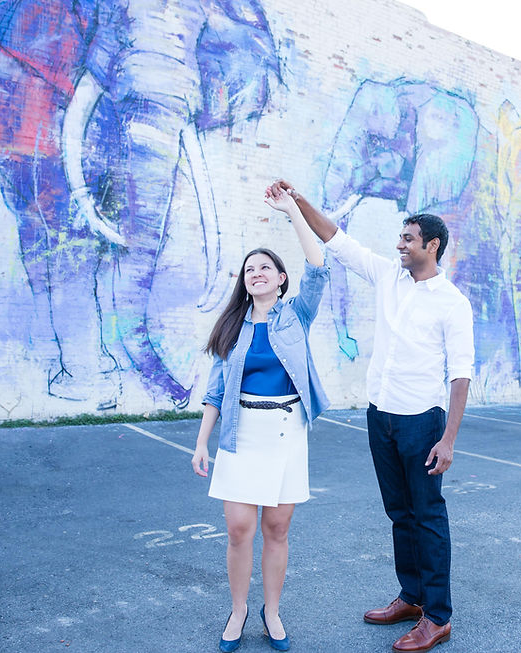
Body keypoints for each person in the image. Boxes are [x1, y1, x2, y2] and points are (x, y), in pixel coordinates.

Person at [266, 180, 474, 653]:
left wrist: (448, 440)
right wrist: (297, 202)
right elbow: (337, 240)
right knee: (399, 512)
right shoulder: (387, 276)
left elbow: (461, 374)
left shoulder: (452, 302)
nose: (399, 245)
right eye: (400, 237)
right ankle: (412, 597)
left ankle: (437, 617)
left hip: (422, 420)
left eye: (408, 239)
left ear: (432, 246)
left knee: (428, 516)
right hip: (381, 415)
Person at [192, 187, 329, 653]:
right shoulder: (232, 326)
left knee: (276, 529)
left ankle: (272, 610)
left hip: (286, 432)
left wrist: (292, 211)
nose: (256, 273)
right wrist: (202, 442)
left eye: (265, 267)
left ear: (281, 279)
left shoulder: (297, 317)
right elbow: (215, 391)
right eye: (250, 269)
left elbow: (319, 267)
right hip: (240, 432)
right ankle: (238, 610)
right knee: (238, 529)